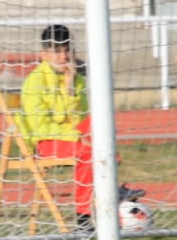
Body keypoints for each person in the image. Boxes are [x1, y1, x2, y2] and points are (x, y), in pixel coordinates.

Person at [18, 23, 142, 228]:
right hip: (45, 143)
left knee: (100, 123)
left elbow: (81, 118)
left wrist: (70, 88)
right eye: (56, 52)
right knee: (89, 149)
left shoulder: (76, 80)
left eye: (66, 50)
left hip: (71, 137)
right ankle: (84, 218)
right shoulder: (34, 81)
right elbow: (40, 128)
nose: (63, 57)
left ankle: (109, 190)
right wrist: (76, 136)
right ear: (44, 55)